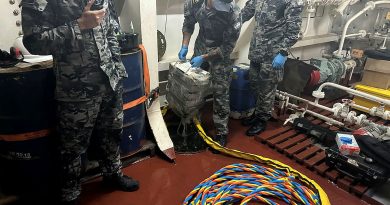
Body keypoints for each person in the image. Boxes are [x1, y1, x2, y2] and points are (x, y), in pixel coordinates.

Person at [21, 0, 139, 204]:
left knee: (112, 133)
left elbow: (111, 28)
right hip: (76, 86)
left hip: (110, 80)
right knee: (72, 145)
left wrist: (118, 69)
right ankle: (70, 192)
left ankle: (112, 174)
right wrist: (79, 25)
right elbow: (33, 41)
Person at [179, 0, 241, 146]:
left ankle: (221, 132)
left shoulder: (234, 12)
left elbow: (228, 46)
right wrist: (184, 46)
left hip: (220, 54)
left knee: (221, 92)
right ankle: (194, 124)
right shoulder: (194, 3)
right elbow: (188, 23)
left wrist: (204, 58)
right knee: (194, 88)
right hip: (201, 46)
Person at [240, 0, 304, 136]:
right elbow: (245, 13)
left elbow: (294, 30)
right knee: (254, 84)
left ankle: (262, 120)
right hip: (257, 50)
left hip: (273, 54)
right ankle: (257, 114)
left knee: (267, 88)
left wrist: (283, 52)